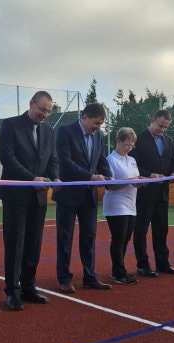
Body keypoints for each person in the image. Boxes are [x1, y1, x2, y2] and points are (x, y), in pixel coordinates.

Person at [0, 91, 60, 311]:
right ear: (31, 104)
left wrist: (56, 178)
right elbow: (7, 158)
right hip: (15, 196)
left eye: (49, 111)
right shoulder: (10, 125)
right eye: (42, 109)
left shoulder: (49, 131)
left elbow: (52, 159)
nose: (45, 114)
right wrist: (30, 178)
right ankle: (12, 292)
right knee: (15, 244)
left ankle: (29, 287)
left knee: (34, 243)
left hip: (38, 196)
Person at [53, 103, 112, 293]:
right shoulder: (65, 131)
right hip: (68, 195)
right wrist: (90, 177)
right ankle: (64, 278)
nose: (98, 128)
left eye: (101, 124)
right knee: (65, 238)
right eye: (96, 123)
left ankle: (90, 276)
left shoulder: (99, 136)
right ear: (84, 117)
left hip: (89, 195)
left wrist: (109, 177)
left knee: (89, 237)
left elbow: (101, 158)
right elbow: (65, 162)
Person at [130, 110, 174, 277]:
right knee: (141, 230)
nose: (162, 130)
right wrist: (149, 175)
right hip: (144, 193)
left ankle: (163, 263)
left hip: (162, 194)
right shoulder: (138, 139)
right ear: (153, 120)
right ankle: (142, 265)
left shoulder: (169, 141)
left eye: (166, 127)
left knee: (161, 229)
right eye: (160, 126)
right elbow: (132, 165)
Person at [103, 127, 145, 285]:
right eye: (127, 144)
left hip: (131, 204)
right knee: (119, 239)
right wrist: (131, 181)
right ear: (118, 141)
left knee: (126, 238)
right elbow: (110, 185)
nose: (129, 148)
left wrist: (142, 182)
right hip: (116, 204)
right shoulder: (110, 160)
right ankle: (119, 272)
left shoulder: (132, 160)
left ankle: (117, 269)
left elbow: (134, 181)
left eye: (132, 145)